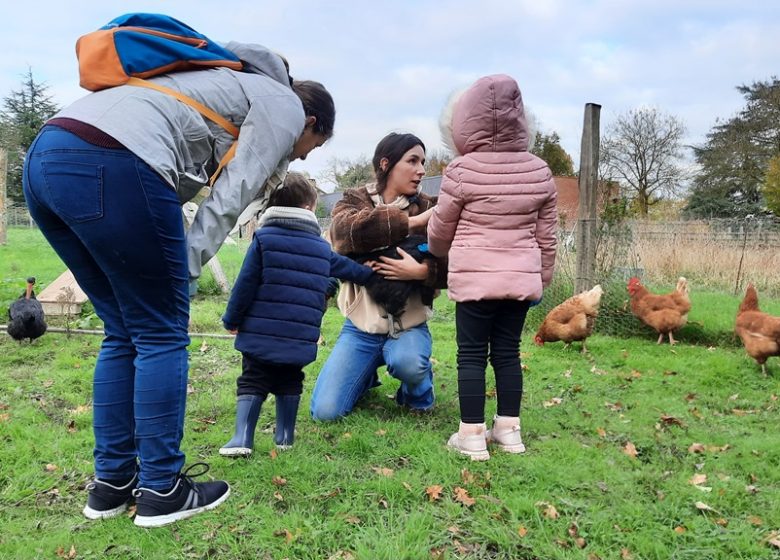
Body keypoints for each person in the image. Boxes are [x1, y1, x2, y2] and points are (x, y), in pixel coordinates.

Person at [22, 42, 335, 527]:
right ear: (310, 121)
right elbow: (231, 194)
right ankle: (163, 489)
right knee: (161, 331)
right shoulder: (283, 104)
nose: (298, 158)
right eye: (308, 148)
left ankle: (111, 484)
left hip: (46, 156)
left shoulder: (215, 82)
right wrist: (181, 271)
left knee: (122, 329)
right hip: (116, 159)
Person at [426, 74, 558, 460]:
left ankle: (470, 435)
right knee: (507, 352)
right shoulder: (540, 172)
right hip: (519, 281)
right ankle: (509, 431)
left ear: (463, 122)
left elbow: (440, 230)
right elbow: (546, 238)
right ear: (522, 120)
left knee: (470, 354)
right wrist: (541, 278)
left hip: (474, 280)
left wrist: (437, 250)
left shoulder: (461, 171)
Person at [219, 173, 375, 456]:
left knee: (253, 378)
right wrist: (372, 272)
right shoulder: (320, 248)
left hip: (259, 334)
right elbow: (349, 271)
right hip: (299, 337)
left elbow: (245, 284)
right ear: (308, 209)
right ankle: (285, 437)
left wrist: (232, 319)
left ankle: (242, 438)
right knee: (290, 379)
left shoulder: (264, 239)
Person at [309, 132, 448, 421]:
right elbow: (344, 234)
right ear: (386, 163)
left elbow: (456, 261)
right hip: (361, 327)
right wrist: (413, 223)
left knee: (409, 364)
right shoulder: (355, 200)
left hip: (409, 324)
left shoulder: (430, 204)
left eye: (423, 161)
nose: (421, 169)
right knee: (325, 412)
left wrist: (422, 272)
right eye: (412, 160)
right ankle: (365, 374)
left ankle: (418, 392)